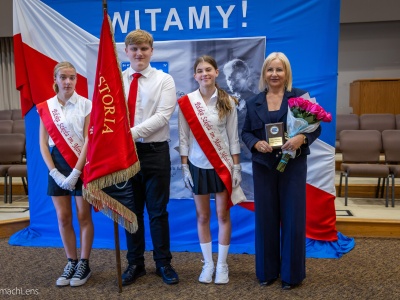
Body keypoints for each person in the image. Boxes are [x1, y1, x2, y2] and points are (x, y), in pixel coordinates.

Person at [241, 52, 321, 290]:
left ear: (286, 73)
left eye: (279, 70)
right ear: (264, 74)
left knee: (293, 218)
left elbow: (315, 128)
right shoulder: (252, 101)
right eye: (270, 70)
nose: (274, 74)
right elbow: (245, 132)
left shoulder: (300, 97)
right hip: (264, 167)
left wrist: (301, 138)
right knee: (265, 219)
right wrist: (255, 144)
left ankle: (291, 275)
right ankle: (266, 272)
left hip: (293, 166)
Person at [120, 29, 179, 285]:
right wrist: (120, 141)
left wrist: (126, 134)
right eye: (134, 49)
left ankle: (163, 263)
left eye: (144, 48)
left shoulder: (164, 80)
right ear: (127, 52)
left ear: (151, 51)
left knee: (157, 212)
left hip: (154, 152)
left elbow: (162, 117)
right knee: (130, 212)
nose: (139, 53)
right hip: (125, 155)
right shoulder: (115, 80)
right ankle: (135, 264)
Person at [178, 55, 242, 284]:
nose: (204, 73)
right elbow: (183, 138)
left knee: (223, 215)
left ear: (216, 72)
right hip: (196, 165)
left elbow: (234, 138)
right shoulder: (186, 102)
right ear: (195, 75)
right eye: (200, 70)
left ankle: (223, 265)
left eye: (208, 69)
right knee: (203, 215)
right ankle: (208, 264)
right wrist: (184, 166)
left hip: (222, 166)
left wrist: (236, 167)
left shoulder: (227, 102)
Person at [38, 61, 93, 287]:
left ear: (76, 80)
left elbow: (89, 139)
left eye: (72, 77)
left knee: (83, 216)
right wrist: (54, 173)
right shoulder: (47, 107)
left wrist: (76, 172)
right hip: (57, 163)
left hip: (81, 162)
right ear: (56, 80)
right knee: (63, 217)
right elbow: (43, 143)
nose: (68, 81)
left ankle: (84, 263)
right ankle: (70, 261)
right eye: (63, 77)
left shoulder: (86, 105)